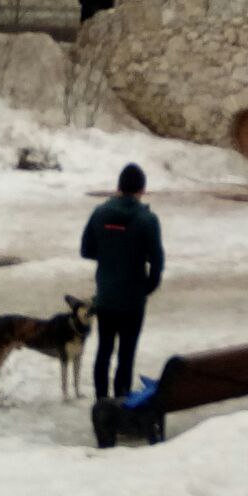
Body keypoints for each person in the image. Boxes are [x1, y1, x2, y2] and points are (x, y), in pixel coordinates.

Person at [81, 163, 164, 401]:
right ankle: (121, 401)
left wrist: (109, 255)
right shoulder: (148, 220)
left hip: (106, 295)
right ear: (142, 190)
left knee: (104, 351)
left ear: (118, 187)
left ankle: (100, 401)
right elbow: (157, 262)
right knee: (126, 355)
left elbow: (86, 250)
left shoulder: (99, 214)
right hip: (133, 298)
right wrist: (147, 287)